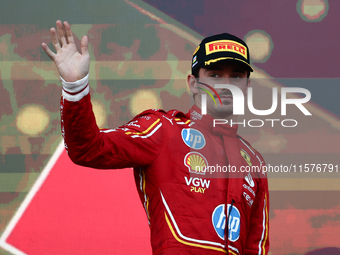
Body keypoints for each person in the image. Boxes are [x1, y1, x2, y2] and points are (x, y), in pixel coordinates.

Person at [42, 20, 269, 255]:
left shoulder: (254, 161)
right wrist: (75, 86)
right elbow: (88, 148)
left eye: (236, 77)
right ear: (193, 84)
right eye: (214, 74)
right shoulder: (163, 130)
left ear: (247, 87)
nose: (225, 85)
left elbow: (256, 247)